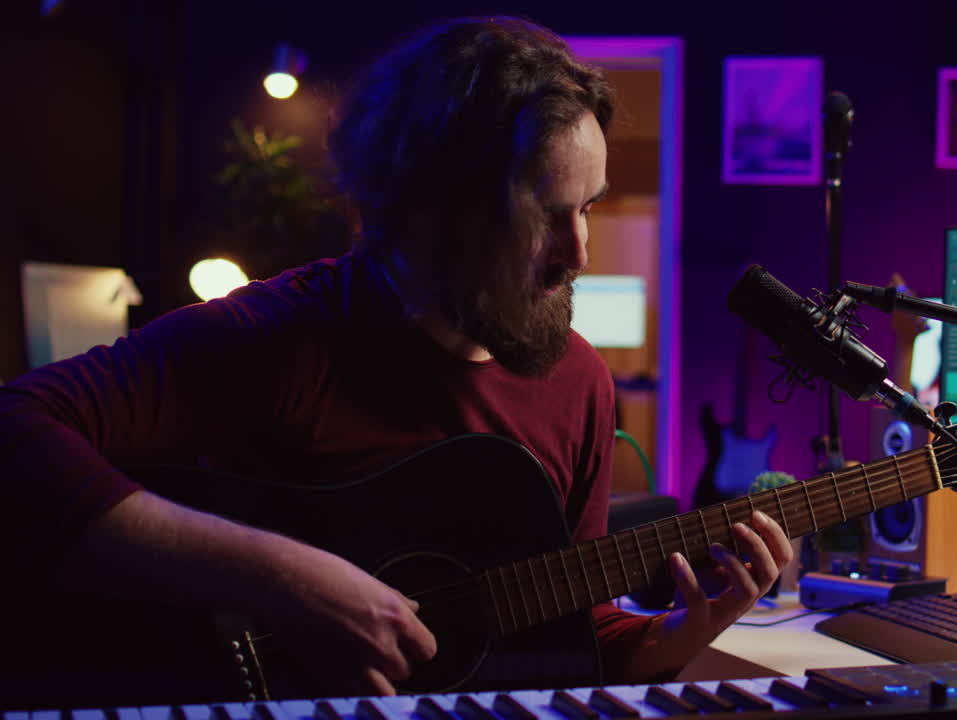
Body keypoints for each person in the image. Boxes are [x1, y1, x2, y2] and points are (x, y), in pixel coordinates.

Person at [0, 16, 791, 707]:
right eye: (544, 217)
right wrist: (281, 578)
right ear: (429, 209)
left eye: (587, 208)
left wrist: (678, 635)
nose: (577, 254)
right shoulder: (280, 338)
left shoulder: (579, 383)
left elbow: (564, 641)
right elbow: (14, 429)